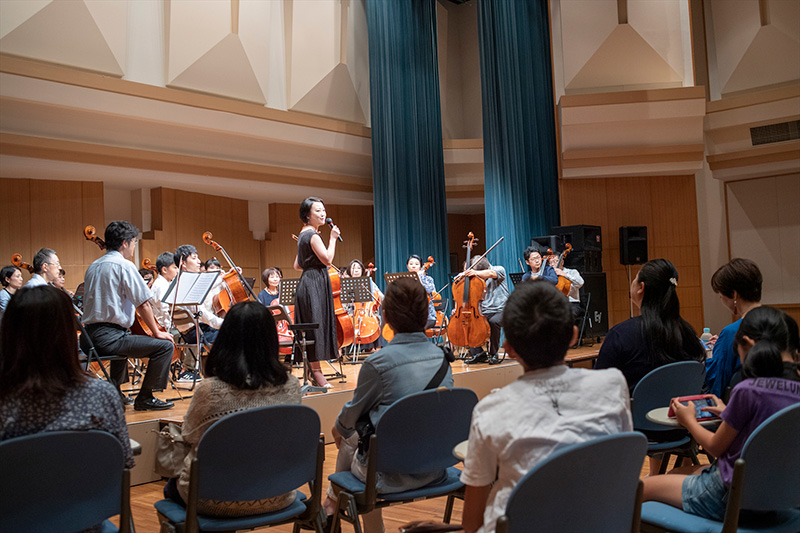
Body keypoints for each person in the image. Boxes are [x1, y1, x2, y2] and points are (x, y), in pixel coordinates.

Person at [460, 281, 632, 533]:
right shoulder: (613, 384)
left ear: (508, 350)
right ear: (573, 336)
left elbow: (472, 524)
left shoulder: (490, 411)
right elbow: (621, 465)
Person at [642, 306, 800, 521]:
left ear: (749, 344)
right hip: (780, 499)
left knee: (642, 487)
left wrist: (689, 422)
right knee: (677, 474)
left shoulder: (748, 390)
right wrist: (730, 412)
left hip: (728, 499)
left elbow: (715, 446)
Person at [322, 277, 454, 531]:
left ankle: (331, 503)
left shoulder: (379, 363)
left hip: (386, 475)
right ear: (426, 312)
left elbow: (349, 421)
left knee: (348, 435)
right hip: (436, 467)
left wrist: (338, 428)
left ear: (385, 315)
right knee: (360, 436)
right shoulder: (442, 357)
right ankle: (331, 501)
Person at [162, 301, 302, 517]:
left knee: (172, 482)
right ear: (271, 339)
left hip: (212, 498)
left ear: (225, 339)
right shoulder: (292, 386)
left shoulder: (209, 390)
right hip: (279, 493)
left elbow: (189, 435)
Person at [0, 286, 134, 473]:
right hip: (90, 501)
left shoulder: (5, 402)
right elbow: (123, 462)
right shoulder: (102, 395)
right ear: (69, 333)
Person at [81, 221, 174, 411]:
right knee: (165, 346)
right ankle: (145, 397)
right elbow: (143, 303)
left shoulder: (93, 266)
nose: (134, 246)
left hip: (88, 337)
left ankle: (115, 393)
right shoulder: (124, 266)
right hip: (109, 337)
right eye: (133, 242)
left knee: (125, 339)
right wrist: (156, 332)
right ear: (125, 243)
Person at [595, 258, 705, 393]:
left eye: (634, 279)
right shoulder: (687, 332)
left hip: (634, 413)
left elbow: (598, 388)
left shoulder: (620, 334)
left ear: (641, 287)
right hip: (679, 412)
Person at [294, 197, 340, 388]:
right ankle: (317, 372)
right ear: (307, 215)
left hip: (308, 280)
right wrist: (333, 238)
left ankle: (313, 371)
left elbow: (297, 265)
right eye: (318, 211)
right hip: (314, 283)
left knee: (312, 325)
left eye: (323, 210)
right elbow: (328, 259)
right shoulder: (313, 235)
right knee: (315, 326)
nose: (323, 214)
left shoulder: (303, 234)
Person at [704, 258, 762, 398]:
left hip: (742, 411)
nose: (722, 301)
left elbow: (716, 383)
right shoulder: (782, 322)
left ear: (734, 295)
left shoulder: (731, 333)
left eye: (721, 296)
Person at [463, 256, 509, 365]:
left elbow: (490, 274)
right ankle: (478, 353)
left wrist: (475, 273)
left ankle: (493, 354)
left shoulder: (499, 270)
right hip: (485, 311)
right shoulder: (476, 277)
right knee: (468, 321)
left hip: (503, 309)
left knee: (494, 321)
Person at [547, 253, 584, 318]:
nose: (553, 264)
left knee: (565, 315)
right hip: (555, 304)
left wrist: (564, 274)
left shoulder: (572, 272)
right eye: (550, 262)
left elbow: (580, 282)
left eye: (555, 261)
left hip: (571, 304)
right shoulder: (549, 276)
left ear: (562, 262)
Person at [406, 254, 437, 329]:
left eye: (416, 264)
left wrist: (420, 278)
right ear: (407, 266)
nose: (413, 266)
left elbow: (429, 290)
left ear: (420, 266)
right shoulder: (405, 280)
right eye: (411, 264)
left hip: (427, 316)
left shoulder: (428, 279)